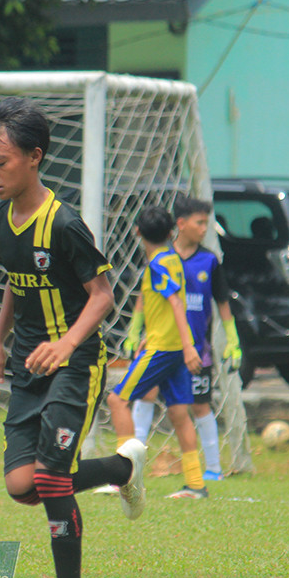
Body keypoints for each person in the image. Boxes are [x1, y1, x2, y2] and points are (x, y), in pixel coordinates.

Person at [0, 97, 148, 578]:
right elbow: (16, 282)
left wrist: (68, 344)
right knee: (21, 486)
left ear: (35, 156)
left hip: (76, 362)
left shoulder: (65, 224)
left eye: (0, 162)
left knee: (52, 477)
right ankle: (122, 470)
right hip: (30, 363)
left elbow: (102, 295)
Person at [126, 194, 242, 481]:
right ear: (181, 224)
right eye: (200, 222)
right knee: (145, 394)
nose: (204, 229)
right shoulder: (163, 259)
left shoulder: (209, 260)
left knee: (199, 404)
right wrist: (133, 332)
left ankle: (213, 468)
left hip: (195, 349)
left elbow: (223, 301)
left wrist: (233, 340)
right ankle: (133, 468)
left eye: (206, 223)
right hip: (162, 345)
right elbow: (145, 298)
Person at [106, 205, 207, 499]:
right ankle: (196, 484)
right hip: (170, 346)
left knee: (117, 400)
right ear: (172, 232)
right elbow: (163, 305)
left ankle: (123, 478)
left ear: (137, 232)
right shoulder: (174, 258)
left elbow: (175, 303)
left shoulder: (157, 266)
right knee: (179, 413)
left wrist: (187, 347)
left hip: (165, 348)